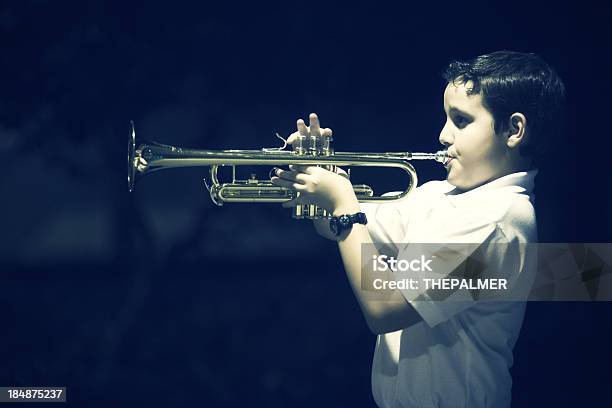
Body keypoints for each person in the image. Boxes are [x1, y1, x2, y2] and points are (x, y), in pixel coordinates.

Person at [271, 50, 566, 408]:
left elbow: (385, 308)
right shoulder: (437, 196)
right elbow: (341, 231)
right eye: (446, 118)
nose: (443, 135)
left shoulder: (500, 219)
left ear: (514, 130)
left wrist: (344, 205)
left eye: (461, 120)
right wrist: (321, 188)